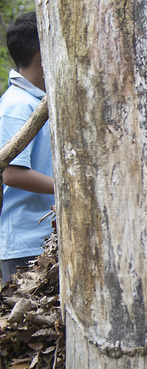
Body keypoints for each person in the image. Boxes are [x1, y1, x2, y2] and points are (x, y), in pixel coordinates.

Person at [0, 11, 54, 284]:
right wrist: (70, 188)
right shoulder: (17, 105)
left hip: (44, 239)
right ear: (43, 57)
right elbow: (12, 173)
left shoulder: (39, 101)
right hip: (25, 244)